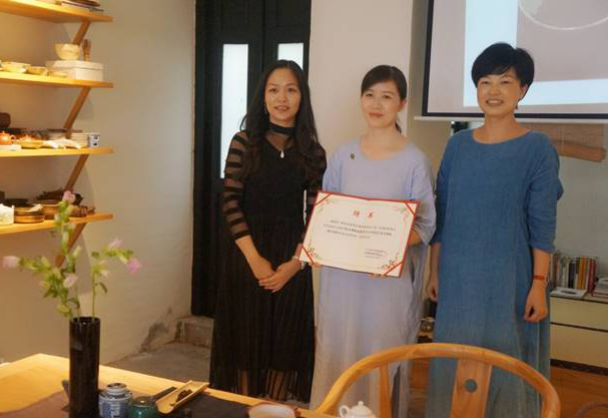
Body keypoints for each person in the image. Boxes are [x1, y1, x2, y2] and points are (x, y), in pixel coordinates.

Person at [426, 43, 564, 418]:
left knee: (506, 364)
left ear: (523, 90)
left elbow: (542, 224)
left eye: (505, 81)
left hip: (511, 281)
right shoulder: (457, 146)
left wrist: (539, 283)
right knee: (452, 360)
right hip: (458, 281)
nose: (493, 91)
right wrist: (435, 271)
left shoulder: (537, 147)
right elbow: (442, 215)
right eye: (485, 82)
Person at [310, 65, 436, 418]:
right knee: (338, 349)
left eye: (386, 96)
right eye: (369, 95)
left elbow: (426, 224)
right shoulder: (343, 155)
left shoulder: (414, 161)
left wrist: (386, 249)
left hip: (386, 284)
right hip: (343, 280)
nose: (376, 104)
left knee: (381, 355)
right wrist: (321, 241)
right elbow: (327, 212)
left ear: (402, 103)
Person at [209, 60, 326, 402]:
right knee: (247, 344)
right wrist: (255, 259)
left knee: (284, 346)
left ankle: (273, 408)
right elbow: (230, 203)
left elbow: (317, 214)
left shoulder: (313, 152)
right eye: (274, 90)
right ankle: (247, 407)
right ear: (263, 97)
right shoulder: (244, 142)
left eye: (291, 90)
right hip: (247, 256)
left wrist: (296, 264)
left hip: (292, 259)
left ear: (302, 97)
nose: (281, 98)